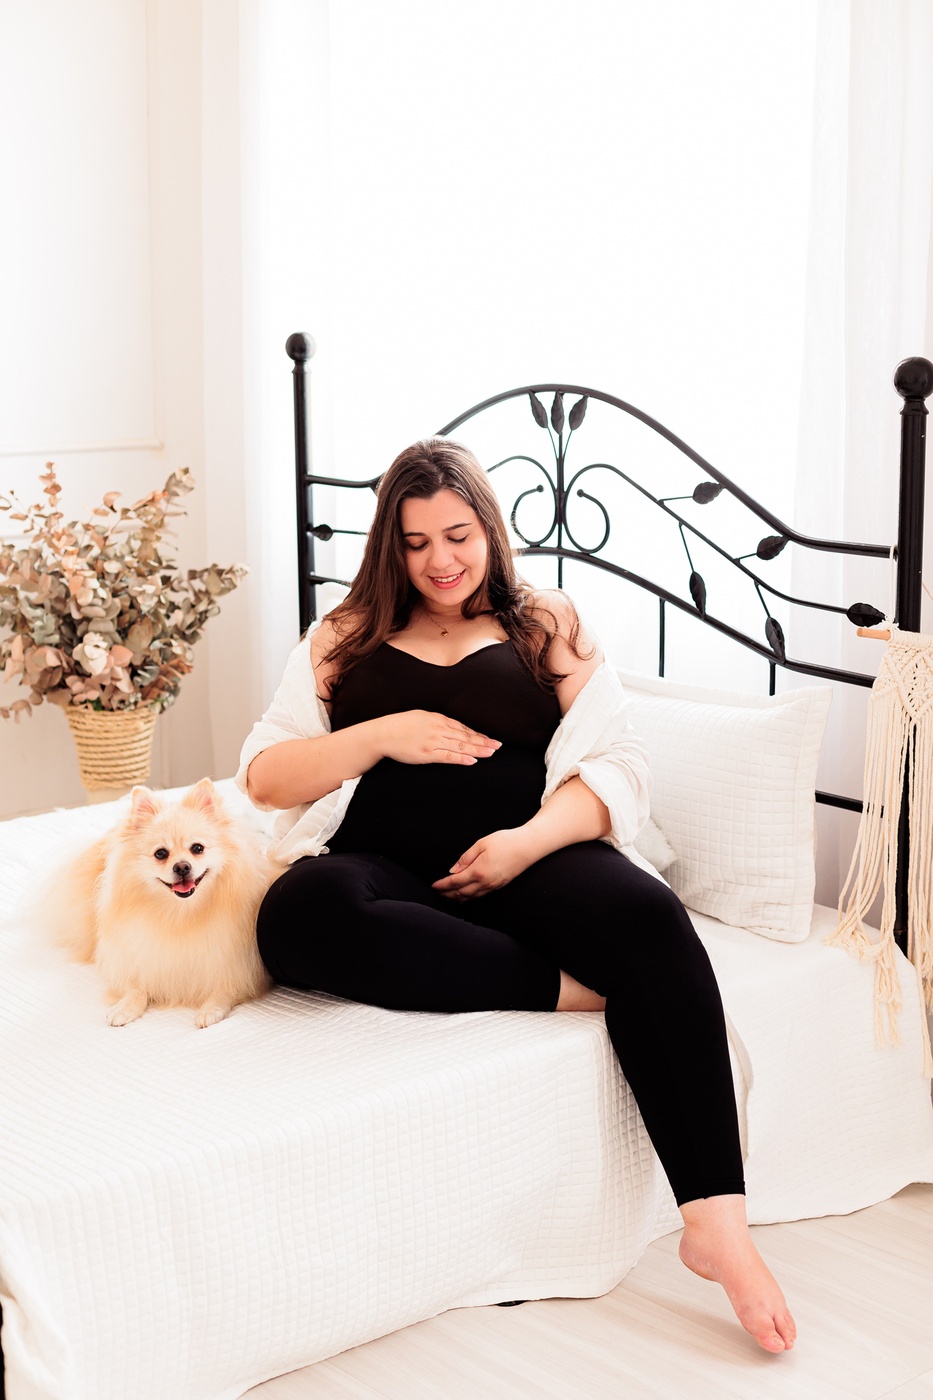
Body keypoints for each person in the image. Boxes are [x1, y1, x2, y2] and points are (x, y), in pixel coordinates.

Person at [236, 438, 797, 1355]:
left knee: (649, 920)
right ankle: (568, 988)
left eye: (457, 535)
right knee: (296, 917)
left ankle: (716, 1226)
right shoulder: (343, 635)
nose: (440, 560)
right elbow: (265, 777)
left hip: (525, 857)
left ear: (489, 530)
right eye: (416, 542)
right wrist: (380, 735)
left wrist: (523, 845)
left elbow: (619, 762)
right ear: (389, 546)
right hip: (382, 864)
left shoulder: (544, 622)